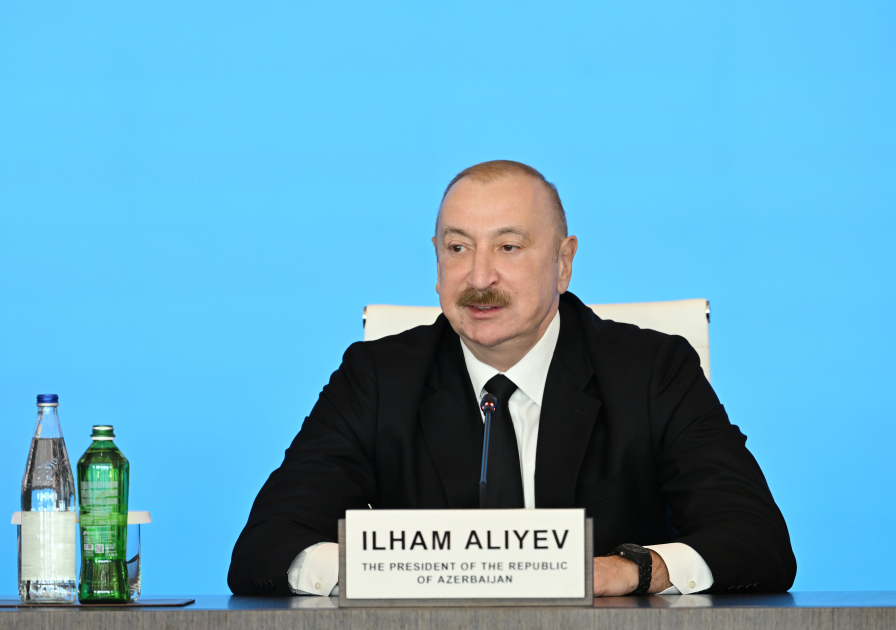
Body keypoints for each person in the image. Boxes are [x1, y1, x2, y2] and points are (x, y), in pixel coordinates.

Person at [228, 160, 796, 597]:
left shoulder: (652, 372)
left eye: (509, 247)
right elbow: (265, 547)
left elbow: (756, 539)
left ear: (563, 262)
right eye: (458, 248)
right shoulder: (377, 379)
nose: (479, 277)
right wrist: (383, 568)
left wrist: (633, 569)